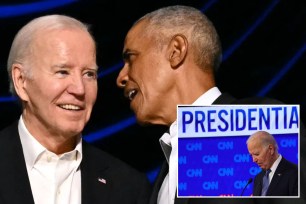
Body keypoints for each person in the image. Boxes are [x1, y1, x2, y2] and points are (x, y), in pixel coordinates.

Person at [116, 5, 305, 204]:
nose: (120, 77)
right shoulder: (167, 168)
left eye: (131, 58)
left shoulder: (255, 124)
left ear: (176, 51)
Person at [0, 14, 151, 204]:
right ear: (21, 81)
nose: (79, 89)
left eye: (89, 74)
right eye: (62, 72)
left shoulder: (129, 187)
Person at [247, 130, 298, 196]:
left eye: (257, 154)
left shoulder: (296, 173)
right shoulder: (258, 178)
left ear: (271, 149)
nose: (254, 160)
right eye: (251, 155)